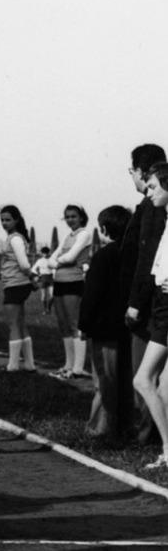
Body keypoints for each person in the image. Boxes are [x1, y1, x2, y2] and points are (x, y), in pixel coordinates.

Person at [121, 143, 167, 445]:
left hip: (155, 305)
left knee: (145, 376)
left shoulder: (154, 209)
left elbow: (146, 258)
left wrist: (136, 302)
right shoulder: (154, 207)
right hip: (157, 301)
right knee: (151, 379)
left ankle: (149, 435)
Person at [78, 205, 132, 442]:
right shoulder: (134, 254)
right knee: (125, 380)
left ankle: (101, 428)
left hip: (104, 327)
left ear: (105, 229)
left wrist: (84, 324)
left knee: (104, 380)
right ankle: (126, 426)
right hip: (128, 327)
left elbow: (92, 294)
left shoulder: (103, 256)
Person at [132, 162, 168, 468]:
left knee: (143, 380)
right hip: (161, 305)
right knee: (163, 387)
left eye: (154, 186)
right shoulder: (166, 219)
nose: (149, 191)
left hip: (167, 308)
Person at [48, 204, 92, 380]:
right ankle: (68, 365)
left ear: (81, 217)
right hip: (59, 282)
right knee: (63, 325)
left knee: (75, 325)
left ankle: (78, 369)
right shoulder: (68, 236)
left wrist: (58, 261)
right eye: (67, 217)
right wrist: (60, 261)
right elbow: (51, 260)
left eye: (73, 216)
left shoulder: (84, 234)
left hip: (74, 282)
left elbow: (71, 257)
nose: (70, 219)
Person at [0, 205, 37, 372]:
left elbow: (24, 264)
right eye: (2, 220)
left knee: (13, 324)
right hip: (18, 284)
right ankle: (29, 364)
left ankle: (13, 366)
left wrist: (32, 276)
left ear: (16, 220)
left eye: (8, 219)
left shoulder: (15, 239)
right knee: (21, 323)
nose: (4, 223)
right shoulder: (16, 238)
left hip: (15, 284)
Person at [31, 246, 54, 314]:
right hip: (43, 278)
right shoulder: (39, 261)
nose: (45, 254)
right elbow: (33, 269)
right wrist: (38, 275)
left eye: (46, 253)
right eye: (43, 253)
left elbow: (55, 269)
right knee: (43, 296)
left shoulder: (51, 260)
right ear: (42, 253)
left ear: (48, 253)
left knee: (53, 295)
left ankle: (49, 308)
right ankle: (45, 310)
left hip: (51, 278)